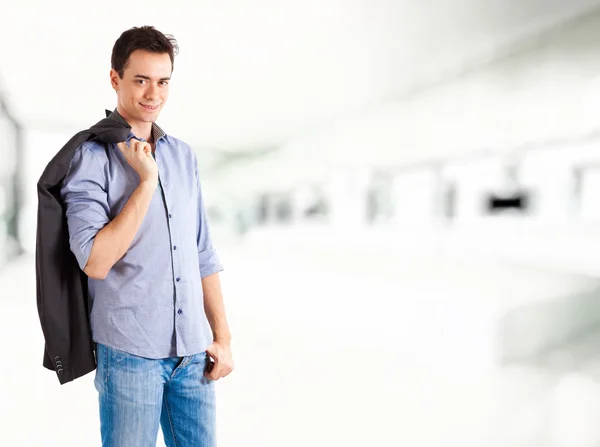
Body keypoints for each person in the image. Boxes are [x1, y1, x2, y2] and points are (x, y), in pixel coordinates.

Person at [60, 25, 233, 446]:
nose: (153, 93)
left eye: (163, 81)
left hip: (192, 353)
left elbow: (202, 252)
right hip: (130, 353)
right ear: (115, 79)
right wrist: (145, 182)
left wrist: (222, 337)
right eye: (140, 80)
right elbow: (95, 261)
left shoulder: (182, 154)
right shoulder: (90, 159)